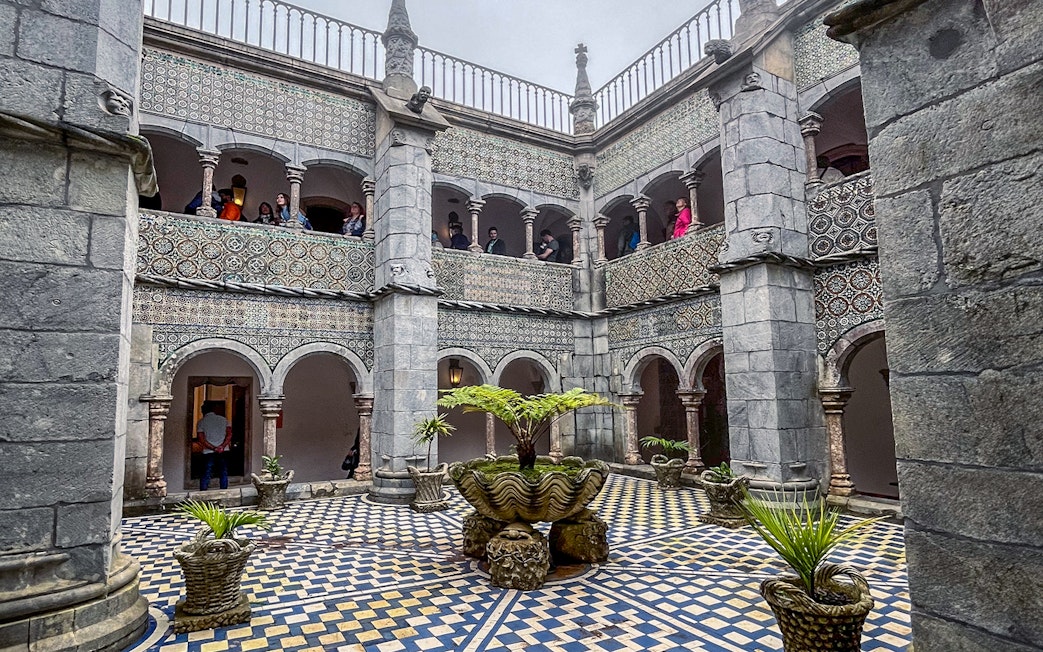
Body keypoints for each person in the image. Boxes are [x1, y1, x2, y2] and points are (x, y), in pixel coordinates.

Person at [196, 401, 232, 491]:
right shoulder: (224, 420)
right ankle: (224, 491)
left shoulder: (201, 422)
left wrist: (213, 448)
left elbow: (201, 438)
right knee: (223, 472)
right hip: (223, 450)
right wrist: (222, 446)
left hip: (208, 451)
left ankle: (203, 492)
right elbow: (229, 435)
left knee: (206, 472)